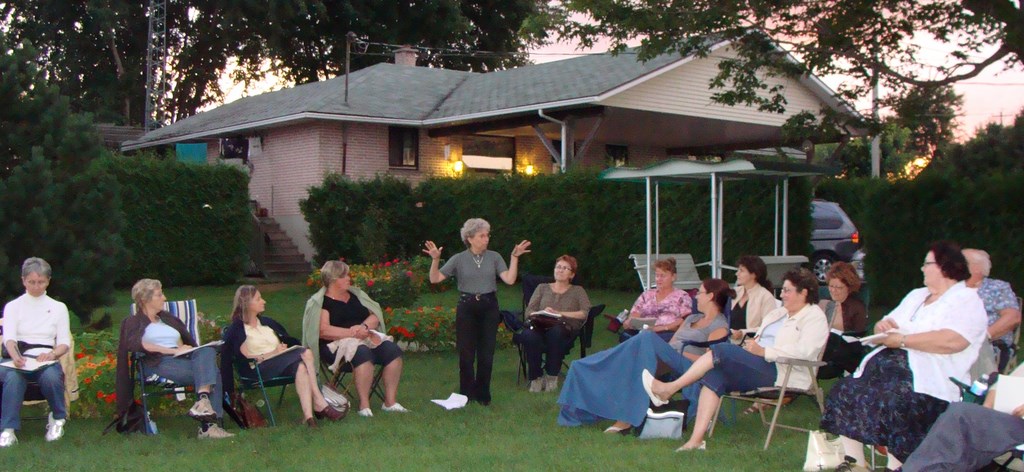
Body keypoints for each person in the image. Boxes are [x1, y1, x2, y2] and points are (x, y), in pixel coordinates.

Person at [820, 241, 987, 471]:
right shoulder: (917, 295)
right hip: (888, 366)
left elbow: (953, 341)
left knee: (896, 401)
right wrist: (881, 327)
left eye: (927, 264)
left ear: (944, 267)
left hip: (931, 378)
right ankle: (854, 462)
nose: (922, 269)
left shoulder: (967, 300)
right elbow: (886, 324)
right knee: (846, 390)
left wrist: (902, 340)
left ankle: (896, 465)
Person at [643, 268, 828, 451]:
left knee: (722, 350)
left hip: (784, 372)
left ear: (804, 293)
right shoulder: (779, 314)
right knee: (715, 375)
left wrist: (764, 351)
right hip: (761, 363)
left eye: (787, 290)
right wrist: (747, 339)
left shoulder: (813, 317)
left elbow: (804, 351)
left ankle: (669, 388)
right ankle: (695, 441)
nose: (783, 294)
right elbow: (759, 334)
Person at [558, 278, 732, 434]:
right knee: (635, 352)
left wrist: (679, 352)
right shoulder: (692, 318)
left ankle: (626, 418)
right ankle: (593, 380)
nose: (696, 297)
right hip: (669, 357)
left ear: (711, 296)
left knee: (646, 337)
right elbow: (673, 342)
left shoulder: (719, 326)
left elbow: (712, 360)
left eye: (700, 293)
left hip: (687, 365)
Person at [423, 218, 530, 406]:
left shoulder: (495, 257)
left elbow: (510, 280)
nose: (486, 239)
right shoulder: (458, 258)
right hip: (467, 307)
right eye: (482, 236)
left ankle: (483, 396)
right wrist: (435, 260)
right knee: (466, 354)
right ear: (470, 238)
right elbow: (435, 279)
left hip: (489, 307)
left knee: (486, 354)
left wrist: (514, 257)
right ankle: (466, 395)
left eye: (487, 235)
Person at [114, 279, 233, 439]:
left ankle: (203, 402)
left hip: (182, 360)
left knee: (206, 352)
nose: (164, 298)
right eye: (159, 294)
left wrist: (185, 350)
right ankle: (209, 426)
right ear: (145, 299)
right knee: (214, 374)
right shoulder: (134, 322)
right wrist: (172, 351)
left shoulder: (168, 320)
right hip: (157, 362)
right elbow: (139, 344)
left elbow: (182, 343)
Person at [221, 285, 343, 427]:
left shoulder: (267, 323)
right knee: (305, 353)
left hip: (278, 364)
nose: (264, 301)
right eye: (259, 299)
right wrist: (274, 353)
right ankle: (319, 401)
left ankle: (309, 418)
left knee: (301, 367)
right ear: (247, 303)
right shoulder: (237, 329)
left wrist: (284, 348)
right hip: (257, 369)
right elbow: (245, 357)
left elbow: (287, 339)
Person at [306, 260, 406, 418]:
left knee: (392, 351)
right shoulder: (321, 302)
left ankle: (390, 402)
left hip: (364, 338)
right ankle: (364, 405)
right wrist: (352, 333)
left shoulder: (356, 296)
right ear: (333, 279)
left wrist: (364, 328)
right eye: (344, 276)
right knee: (362, 353)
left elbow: (374, 316)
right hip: (334, 347)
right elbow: (323, 331)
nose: (349, 278)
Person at [0, 258, 71, 447]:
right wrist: (15, 356)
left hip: (45, 358)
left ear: (48, 281)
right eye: (31, 282)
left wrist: (53, 355)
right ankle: (8, 429)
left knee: (51, 377)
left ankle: (57, 419)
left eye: (40, 282)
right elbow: (9, 338)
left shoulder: (58, 307)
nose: (36, 287)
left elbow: (64, 342)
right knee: (12, 377)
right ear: (23, 281)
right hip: (19, 358)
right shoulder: (13, 307)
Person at [901, 364, 1024, 472]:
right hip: (1010, 422)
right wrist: (986, 409)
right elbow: (1004, 385)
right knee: (962, 426)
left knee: (962, 416)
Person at [520, 255, 591, 393]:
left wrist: (560, 313)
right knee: (528, 335)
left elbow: (584, 312)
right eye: (558, 267)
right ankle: (535, 377)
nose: (560, 270)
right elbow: (529, 310)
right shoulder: (542, 288)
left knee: (556, 332)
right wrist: (543, 311)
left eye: (565, 268)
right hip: (540, 324)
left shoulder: (578, 291)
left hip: (564, 327)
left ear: (572, 274)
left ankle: (552, 376)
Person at [963, 248, 1021, 372]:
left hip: (986, 348)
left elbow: (1013, 317)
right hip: (947, 342)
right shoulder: (949, 288)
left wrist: (982, 338)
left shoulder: (996, 288)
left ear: (977, 268)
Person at [620, 257, 692, 342]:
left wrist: (662, 328)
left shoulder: (682, 296)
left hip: (667, 332)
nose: (659, 279)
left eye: (663, 276)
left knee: (647, 340)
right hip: (643, 331)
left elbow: (686, 320)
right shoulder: (647, 295)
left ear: (673, 277)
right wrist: (629, 322)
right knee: (626, 335)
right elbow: (635, 314)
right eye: (657, 275)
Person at [818, 261, 869, 378]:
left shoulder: (857, 307)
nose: (834, 291)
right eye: (831, 286)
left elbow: (860, 336)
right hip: (821, 349)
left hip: (844, 354)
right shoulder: (824, 303)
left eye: (839, 287)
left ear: (849, 288)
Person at [728, 255, 777, 337]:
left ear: (754, 275)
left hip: (750, 343)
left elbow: (768, 327)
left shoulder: (765, 297)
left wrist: (743, 332)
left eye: (742, 271)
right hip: (729, 341)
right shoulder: (735, 291)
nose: (737, 274)